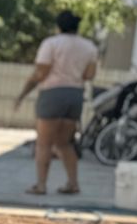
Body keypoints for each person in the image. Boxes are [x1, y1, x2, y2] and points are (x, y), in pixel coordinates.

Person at [14, 11, 100, 196]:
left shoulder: (51, 44)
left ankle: (41, 185)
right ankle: (73, 183)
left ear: (59, 26)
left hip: (52, 93)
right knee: (64, 143)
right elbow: (89, 75)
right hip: (75, 94)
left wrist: (23, 93)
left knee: (44, 143)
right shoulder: (89, 47)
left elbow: (41, 73)